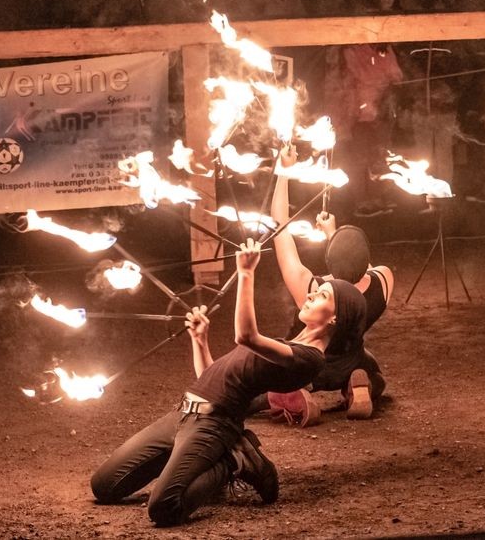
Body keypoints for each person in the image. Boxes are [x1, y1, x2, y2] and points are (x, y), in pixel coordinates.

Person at [91, 240, 367, 526]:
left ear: (336, 317)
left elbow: (246, 336)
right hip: (181, 415)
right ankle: (194, 460)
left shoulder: (309, 359)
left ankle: (234, 461)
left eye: (321, 294)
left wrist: (246, 273)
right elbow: (211, 378)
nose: (310, 295)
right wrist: (200, 340)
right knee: (104, 486)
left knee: (163, 507)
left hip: (215, 426)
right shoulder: (284, 345)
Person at [264, 146, 393, 422]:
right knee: (374, 375)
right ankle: (357, 384)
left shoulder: (311, 289)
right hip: (351, 361)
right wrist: (335, 235)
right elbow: (361, 269)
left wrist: (284, 171)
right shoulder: (383, 282)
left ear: (329, 257)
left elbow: (279, 228)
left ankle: (296, 395)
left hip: (309, 364)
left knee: (260, 389)